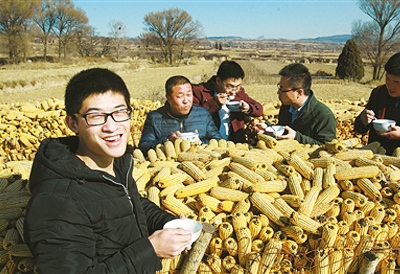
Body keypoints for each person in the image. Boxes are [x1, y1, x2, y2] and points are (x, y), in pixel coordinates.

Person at [24, 68, 193, 273]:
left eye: (120, 112)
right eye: (96, 116)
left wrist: (168, 223)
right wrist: (151, 250)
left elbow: (128, 204)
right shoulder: (58, 201)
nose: (112, 127)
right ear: (73, 123)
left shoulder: (116, 165)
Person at [256, 63, 336, 145]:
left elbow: (328, 147)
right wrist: (268, 129)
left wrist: (296, 137)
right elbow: (284, 133)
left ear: (299, 93)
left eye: (282, 89)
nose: (278, 92)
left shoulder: (323, 116)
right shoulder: (286, 107)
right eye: (279, 87)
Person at [139, 75, 222, 154]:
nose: (186, 101)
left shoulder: (203, 114)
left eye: (189, 95)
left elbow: (219, 140)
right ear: (168, 98)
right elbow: (144, 146)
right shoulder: (154, 118)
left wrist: (200, 142)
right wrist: (167, 140)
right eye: (180, 96)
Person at [192, 60, 263, 143]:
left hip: (234, 144)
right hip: (208, 144)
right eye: (229, 86)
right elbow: (192, 117)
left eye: (237, 86)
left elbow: (259, 109)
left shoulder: (239, 93)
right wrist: (214, 103)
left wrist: (249, 108)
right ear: (218, 81)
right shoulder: (199, 92)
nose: (233, 91)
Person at [354, 52, 400, 155]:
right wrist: (363, 120)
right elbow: (359, 128)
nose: (390, 85)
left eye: (397, 82)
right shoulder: (379, 93)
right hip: (376, 156)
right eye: (387, 78)